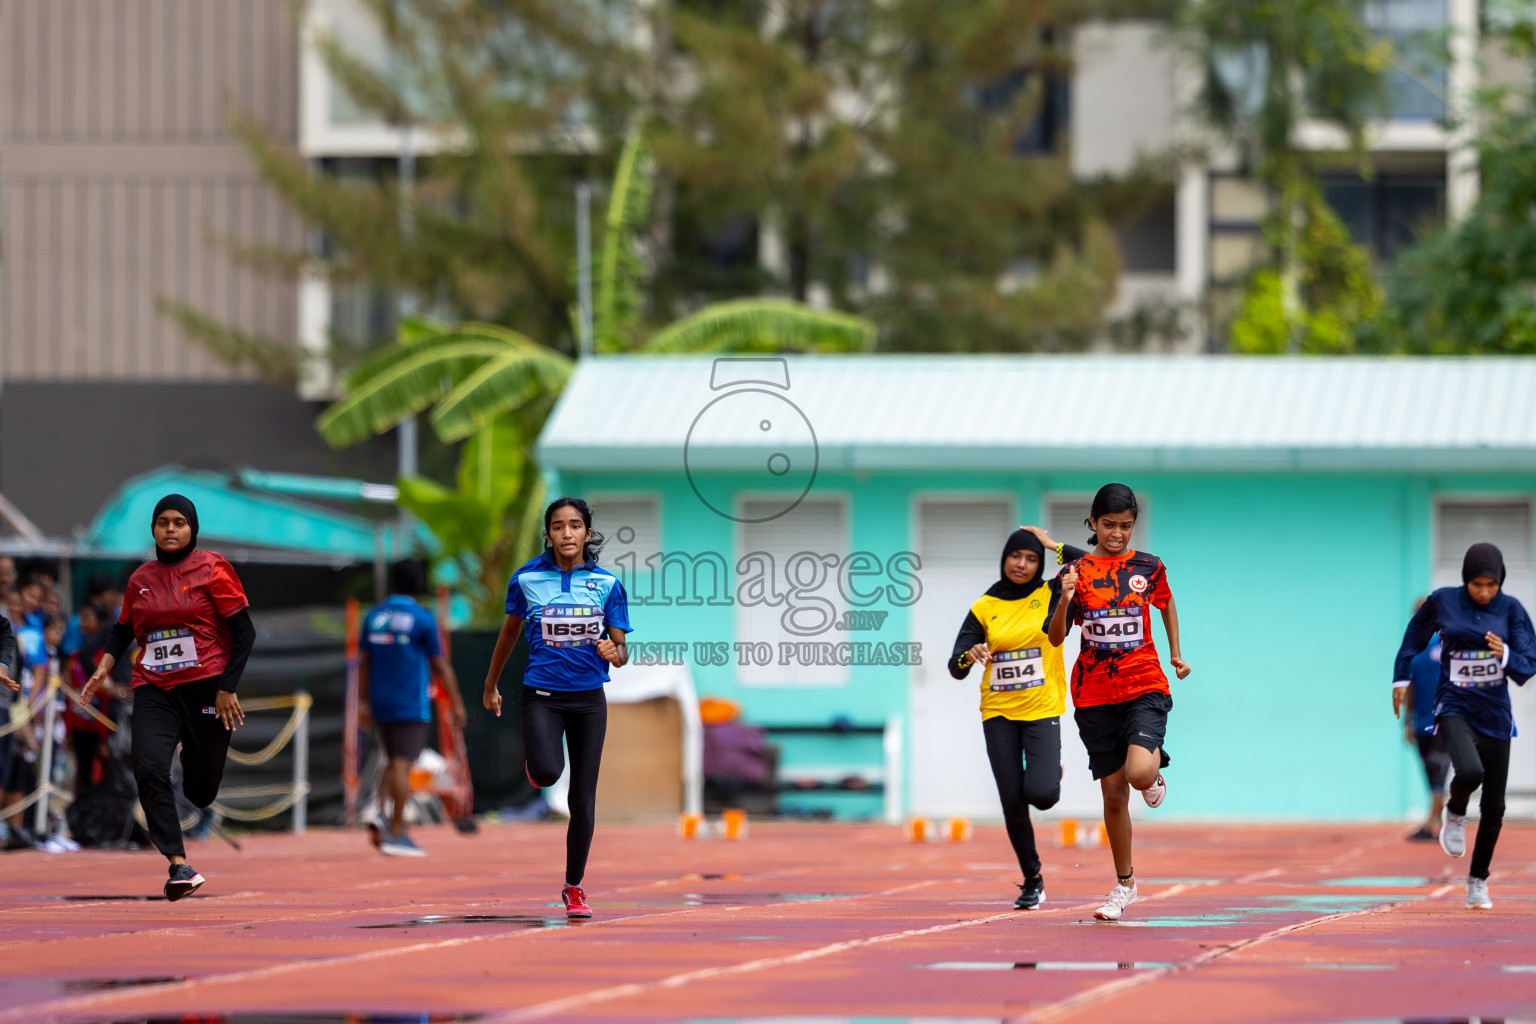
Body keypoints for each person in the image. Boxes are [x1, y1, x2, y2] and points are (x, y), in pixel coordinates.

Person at [82, 495, 256, 900]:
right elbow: (122, 630)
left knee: (200, 792)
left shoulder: (212, 568)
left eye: (179, 522)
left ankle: (190, 752)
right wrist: (104, 666)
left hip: (206, 686)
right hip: (153, 686)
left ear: (192, 528)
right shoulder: (140, 578)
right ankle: (179, 864)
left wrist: (227, 688)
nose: (171, 529)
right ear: (153, 530)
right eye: (163, 522)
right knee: (148, 769)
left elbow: (245, 632)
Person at [482, 497, 631, 919]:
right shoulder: (526, 580)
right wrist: (491, 683)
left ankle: (574, 886)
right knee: (548, 773)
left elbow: (621, 652)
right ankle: (538, 767)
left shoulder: (607, 584)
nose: (567, 533)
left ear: (587, 532)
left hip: (589, 702)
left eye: (575, 526)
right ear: (547, 533)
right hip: (542, 695)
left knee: (582, 798)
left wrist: (613, 650)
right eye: (558, 527)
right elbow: (509, 635)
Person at [1048, 483, 1189, 922]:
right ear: (1092, 522)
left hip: (1144, 681)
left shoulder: (1149, 566)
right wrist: (1066, 597)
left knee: (1139, 771)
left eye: (1126, 526)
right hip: (1093, 693)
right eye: (1108, 525)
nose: (1117, 534)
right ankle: (1125, 884)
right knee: (1112, 793)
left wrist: (1176, 653)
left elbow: (1166, 604)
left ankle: (1152, 778)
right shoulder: (1074, 571)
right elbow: (1055, 637)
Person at [948, 525, 1085, 910]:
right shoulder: (984, 606)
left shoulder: (1052, 591)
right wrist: (969, 654)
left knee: (1041, 795)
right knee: (1011, 799)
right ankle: (1032, 879)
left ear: (1040, 563)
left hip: (1042, 708)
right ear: (1004, 558)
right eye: (1015, 556)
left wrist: (1051, 544)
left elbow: (1090, 563)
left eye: (1031, 559)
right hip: (999, 713)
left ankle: (1050, 772)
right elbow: (955, 666)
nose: (1022, 564)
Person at [1393, 542, 1536, 910]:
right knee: (1469, 770)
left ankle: (1478, 881)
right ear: (1465, 579)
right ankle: (1454, 811)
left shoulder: (1512, 610)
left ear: (1500, 581)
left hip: (1495, 714)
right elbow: (1414, 637)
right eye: (1477, 585)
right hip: (1454, 704)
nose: (1485, 592)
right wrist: (1400, 679)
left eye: (1492, 585)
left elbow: (1527, 664)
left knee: (1495, 808)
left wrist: (1503, 653)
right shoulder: (1443, 601)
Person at [358, 559, 467, 857]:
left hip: (379, 701)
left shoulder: (374, 615)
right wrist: (457, 703)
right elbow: (440, 665)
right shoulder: (422, 618)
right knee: (403, 764)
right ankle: (395, 831)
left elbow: (364, 664)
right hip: (409, 702)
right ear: (420, 585)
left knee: (392, 760)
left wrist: (362, 702)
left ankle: (379, 812)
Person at [1401, 604, 1448, 843]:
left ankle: (1435, 822)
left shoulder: (1415, 647)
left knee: (1434, 771)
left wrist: (1407, 722)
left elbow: (1409, 688)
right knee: (1435, 771)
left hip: (1431, 720)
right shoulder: (1448, 645)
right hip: (1440, 720)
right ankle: (1435, 820)